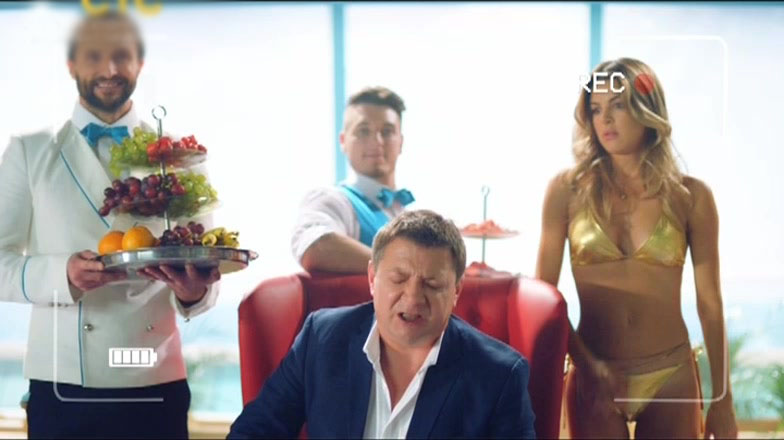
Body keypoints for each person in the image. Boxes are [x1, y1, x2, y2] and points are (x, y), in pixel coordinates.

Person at [0, 12, 220, 438]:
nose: (110, 69)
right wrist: (62, 275)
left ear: (140, 62)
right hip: (62, 379)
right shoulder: (28, 151)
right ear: (71, 64)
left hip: (153, 372)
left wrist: (194, 293)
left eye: (122, 55)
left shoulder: (178, 156)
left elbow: (201, 262)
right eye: (94, 56)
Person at [535, 57, 738, 438]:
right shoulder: (566, 190)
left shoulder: (692, 197)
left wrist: (723, 400)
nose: (605, 119)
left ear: (647, 110)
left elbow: (710, 304)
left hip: (670, 374)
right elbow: (544, 298)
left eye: (618, 106)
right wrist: (585, 363)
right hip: (594, 373)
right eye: (596, 109)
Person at [230, 210, 536, 439]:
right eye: (398, 279)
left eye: (431, 284)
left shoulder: (499, 375)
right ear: (372, 279)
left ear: (456, 291)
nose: (413, 298)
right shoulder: (321, 339)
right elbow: (254, 432)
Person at [291, 86, 415, 274]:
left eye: (387, 131)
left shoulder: (406, 214)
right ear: (343, 141)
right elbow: (315, 245)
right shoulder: (333, 200)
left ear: (401, 142)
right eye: (364, 131)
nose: (377, 141)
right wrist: (404, 271)